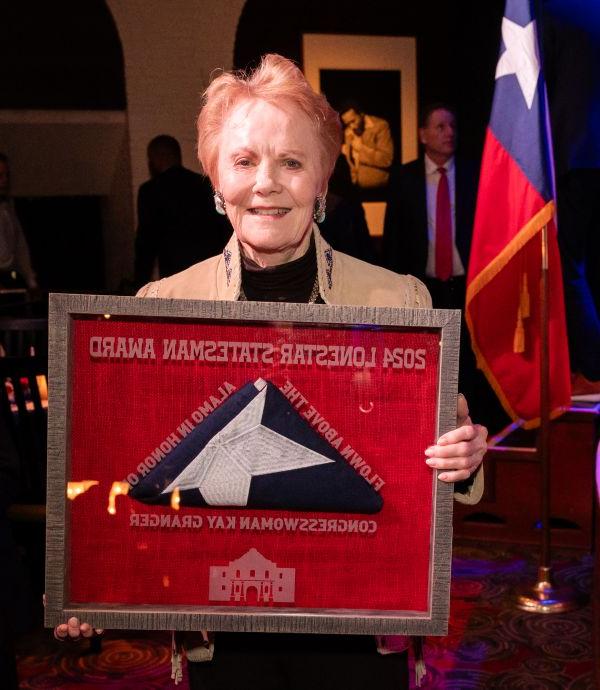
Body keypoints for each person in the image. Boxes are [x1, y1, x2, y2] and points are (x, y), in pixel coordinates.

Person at [55, 55, 487, 690]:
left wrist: (464, 458)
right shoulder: (159, 309)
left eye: (292, 161)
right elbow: (129, 479)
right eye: (244, 160)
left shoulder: (399, 302)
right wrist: (92, 576)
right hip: (219, 628)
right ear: (214, 182)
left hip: (358, 621)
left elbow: (436, 471)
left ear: (322, 180)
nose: (268, 182)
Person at [382, 104, 478, 311]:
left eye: (453, 126)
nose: (450, 133)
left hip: (467, 285)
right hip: (421, 287)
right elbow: (394, 238)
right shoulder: (404, 178)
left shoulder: (473, 175)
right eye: (441, 127)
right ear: (423, 135)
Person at [133, 135, 230, 289]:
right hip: (210, 273)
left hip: (174, 275)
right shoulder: (206, 185)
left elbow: (146, 242)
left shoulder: (151, 190)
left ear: (156, 158)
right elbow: (225, 230)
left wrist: (139, 284)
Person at [0, 153, 38, 292]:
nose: (4, 181)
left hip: (10, 278)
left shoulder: (8, 208)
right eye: (0, 176)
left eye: (6, 176)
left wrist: (31, 281)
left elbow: (20, 247)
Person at [340, 103, 394, 189]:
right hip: (355, 187)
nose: (352, 126)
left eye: (353, 121)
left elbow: (386, 159)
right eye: (347, 123)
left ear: (361, 114)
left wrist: (361, 149)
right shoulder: (348, 131)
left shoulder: (380, 126)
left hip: (377, 188)